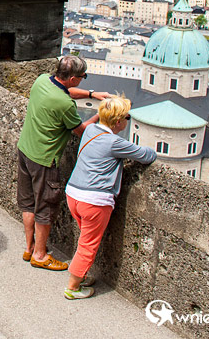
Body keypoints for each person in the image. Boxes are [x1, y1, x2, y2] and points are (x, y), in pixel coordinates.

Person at [16, 55, 108, 270]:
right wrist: (101, 114)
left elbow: (64, 90)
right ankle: (40, 255)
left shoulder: (41, 81)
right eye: (83, 78)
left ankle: (29, 248)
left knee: (28, 204)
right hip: (45, 158)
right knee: (45, 208)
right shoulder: (65, 104)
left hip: (25, 149)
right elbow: (80, 131)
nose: (82, 82)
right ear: (74, 78)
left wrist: (92, 94)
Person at [64, 96, 156, 299]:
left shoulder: (90, 130)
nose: (127, 121)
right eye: (126, 117)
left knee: (84, 239)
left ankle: (81, 275)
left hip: (74, 193)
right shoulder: (114, 142)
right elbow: (146, 155)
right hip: (94, 200)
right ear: (118, 122)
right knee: (87, 245)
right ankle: (72, 287)